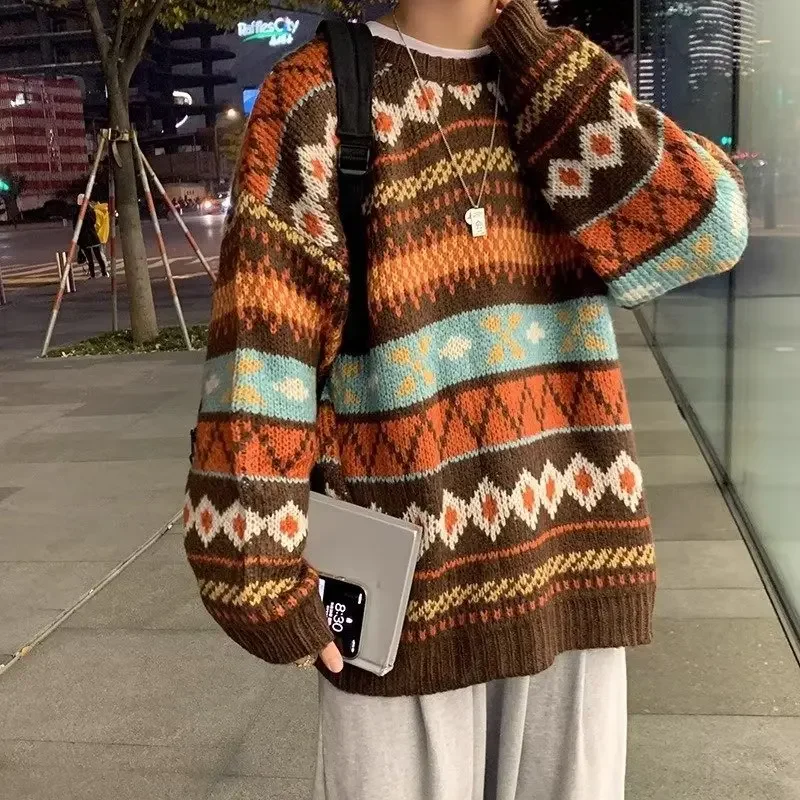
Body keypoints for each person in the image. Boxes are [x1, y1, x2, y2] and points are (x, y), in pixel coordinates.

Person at [184, 1, 748, 798]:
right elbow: (260, 351)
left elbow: (711, 231)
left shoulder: (557, 85)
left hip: (574, 562)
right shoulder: (318, 95)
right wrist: (256, 568)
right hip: (408, 591)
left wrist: (537, 61)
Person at [73, 193, 108, 278]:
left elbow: (75, 227)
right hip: (93, 236)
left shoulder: (78, 213)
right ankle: (104, 273)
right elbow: (93, 222)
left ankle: (93, 275)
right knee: (98, 257)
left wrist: (78, 240)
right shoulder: (91, 211)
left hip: (84, 239)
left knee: (90, 259)